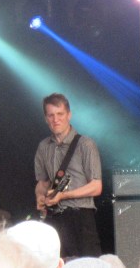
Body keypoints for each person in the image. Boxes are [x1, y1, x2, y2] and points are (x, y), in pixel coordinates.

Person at [34, 93, 102, 258]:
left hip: (81, 216)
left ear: (69, 115)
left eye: (60, 114)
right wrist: (40, 197)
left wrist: (63, 195)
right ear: (46, 118)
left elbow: (96, 186)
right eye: (51, 115)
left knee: (86, 264)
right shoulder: (43, 146)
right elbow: (42, 183)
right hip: (55, 218)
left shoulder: (85, 144)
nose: (56, 119)